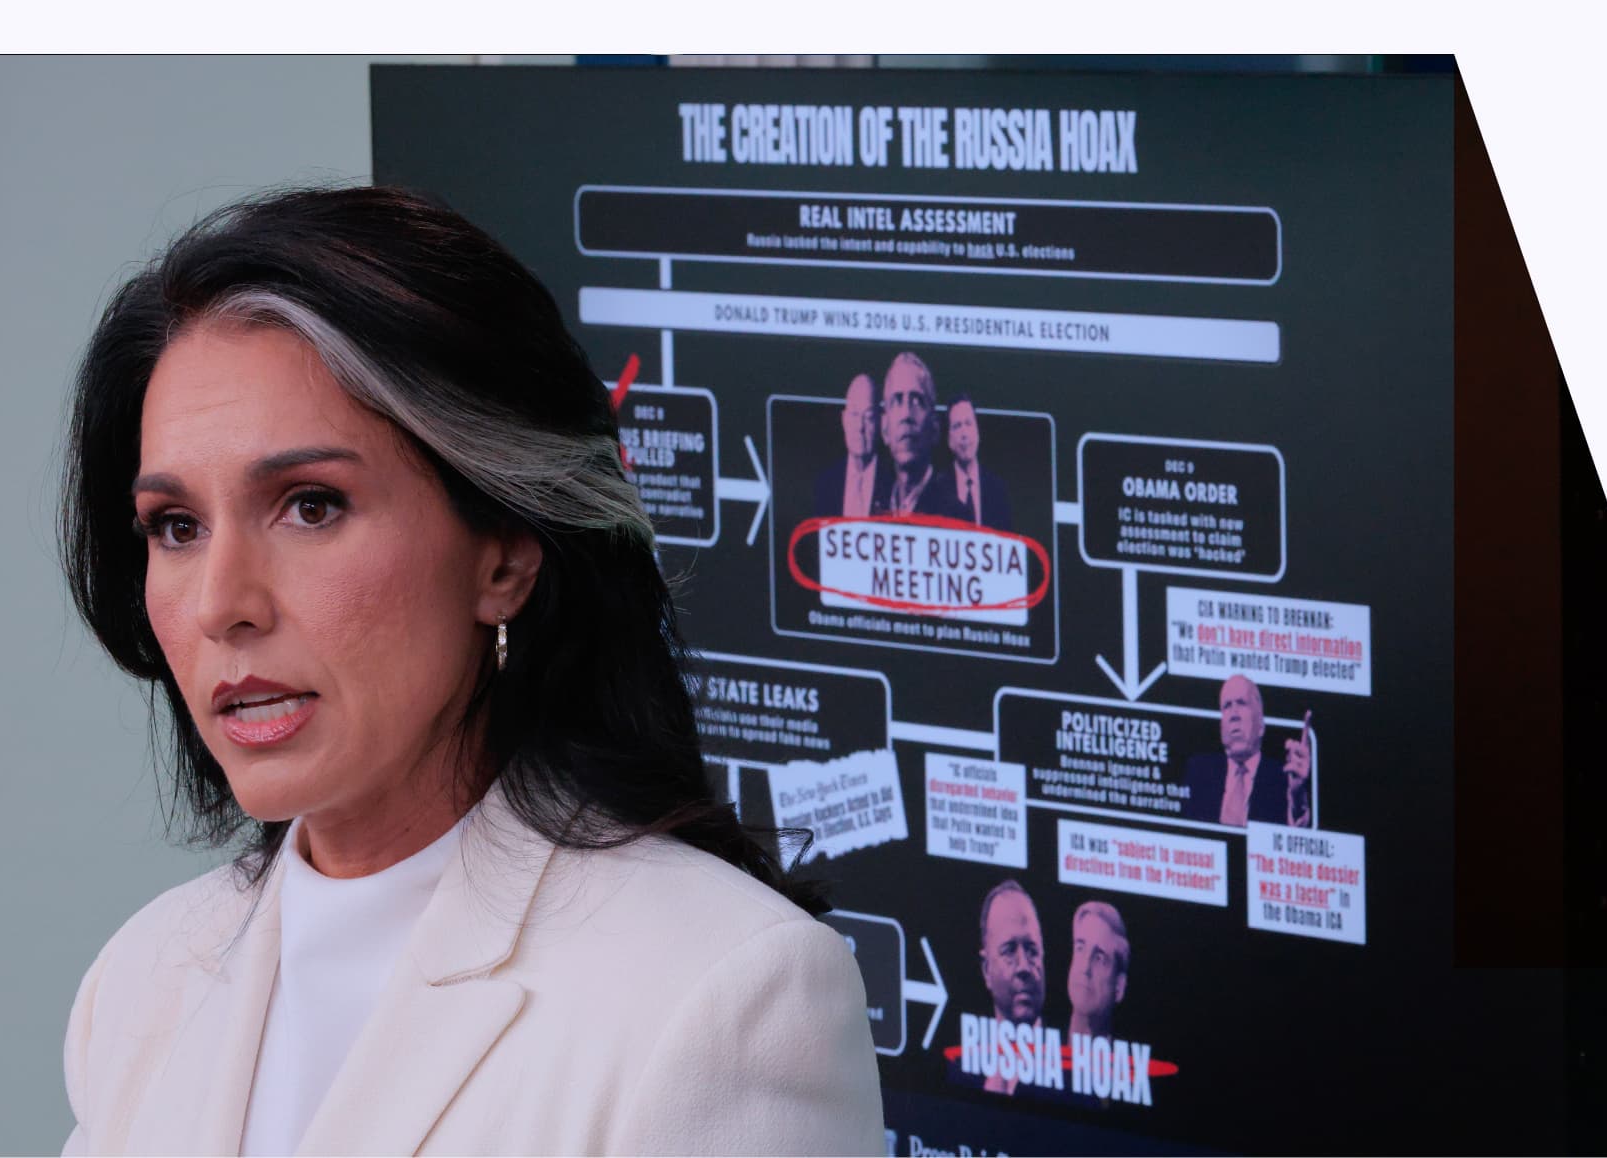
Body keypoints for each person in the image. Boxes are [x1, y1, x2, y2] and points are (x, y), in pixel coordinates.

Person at [56, 187, 883, 1156]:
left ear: (504, 555)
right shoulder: (145, 978)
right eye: (177, 526)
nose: (221, 603)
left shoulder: (722, 991)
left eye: (311, 506)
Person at [1180, 675, 1313, 827]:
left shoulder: (1284, 778)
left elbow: (1297, 829)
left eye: (1242, 703)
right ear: (1221, 725)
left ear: (1261, 726)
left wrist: (1297, 796)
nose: (1234, 715)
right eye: (1227, 706)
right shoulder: (1198, 771)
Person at [872, 351, 970, 520]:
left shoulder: (956, 517)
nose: (906, 415)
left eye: (917, 401)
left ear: (935, 428)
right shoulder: (872, 508)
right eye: (897, 400)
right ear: (884, 429)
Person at [974, 879, 1045, 1095]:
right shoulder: (959, 1069)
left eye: (1032, 951)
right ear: (986, 970)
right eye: (1009, 951)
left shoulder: (1073, 1073)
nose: (1024, 966)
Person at [813, 373, 884, 518]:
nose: (860, 427)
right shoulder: (826, 483)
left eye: (868, 417)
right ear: (844, 419)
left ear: (880, 422)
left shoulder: (897, 483)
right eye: (854, 415)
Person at [945, 394, 1013, 531]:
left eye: (968, 423)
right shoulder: (937, 489)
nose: (964, 434)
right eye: (957, 426)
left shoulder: (998, 490)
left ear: (977, 432)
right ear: (949, 439)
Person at [1066, 900, 1129, 1040]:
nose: (1085, 968)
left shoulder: (1130, 1061)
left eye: (1099, 958)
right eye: (1080, 948)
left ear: (1119, 985)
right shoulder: (1037, 1044)